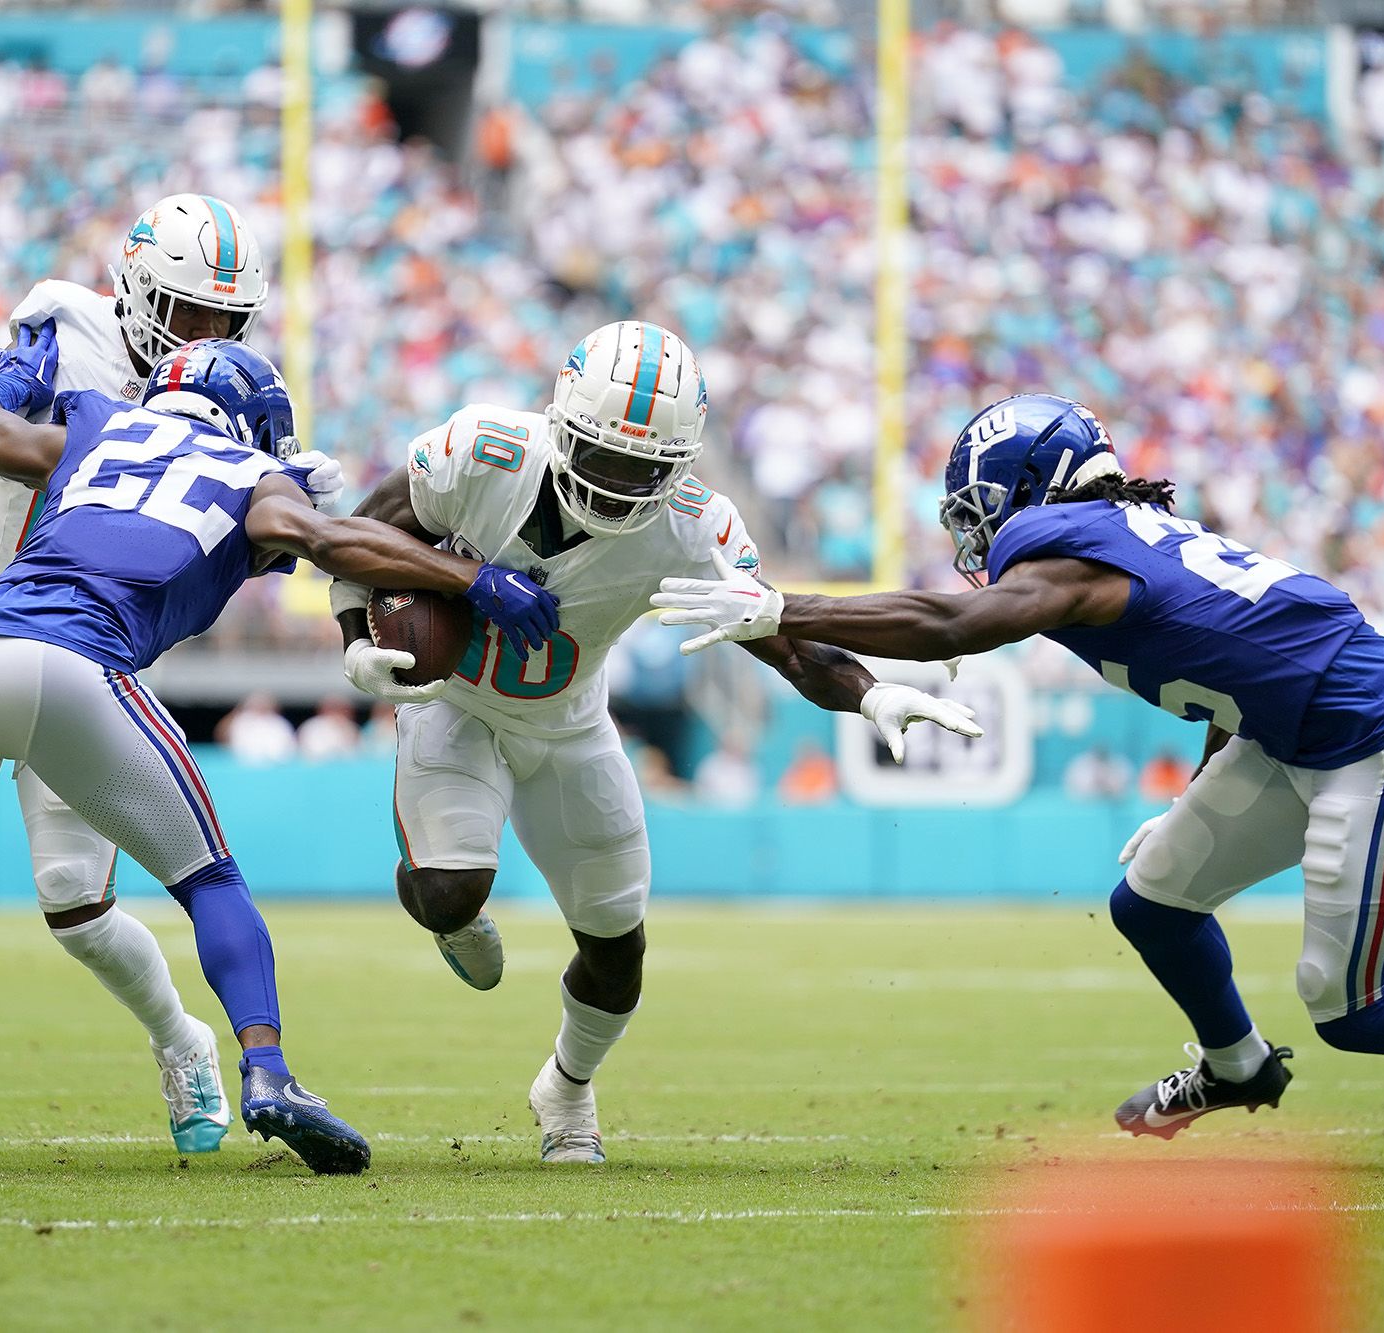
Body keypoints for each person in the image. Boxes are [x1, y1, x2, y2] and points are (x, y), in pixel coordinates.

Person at [654, 392, 1384, 1167]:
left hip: (1375, 734)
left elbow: (953, 626)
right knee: (1152, 901)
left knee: (1349, 1003)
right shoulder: (1127, 536)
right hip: (1289, 729)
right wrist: (1196, 794)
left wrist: (785, 607)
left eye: (980, 507)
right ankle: (1235, 1067)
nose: (976, 532)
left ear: (1031, 486)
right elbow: (1243, 668)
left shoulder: (1061, 548)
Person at [0, 333, 558, 1177]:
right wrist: (473, 581)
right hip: (72, 661)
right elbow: (324, 546)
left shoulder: (96, 428)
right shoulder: (253, 474)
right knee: (209, 881)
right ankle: (269, 1073)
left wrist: (13, 369)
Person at [329, 320, 978, 1164]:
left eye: (644, 468)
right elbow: (357, 536)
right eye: (602, 456)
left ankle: (566, 1089)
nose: (618, 482)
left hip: (571, 725)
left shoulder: (690, 527)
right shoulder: (483, 452)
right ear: (561, 424)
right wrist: (355, 632)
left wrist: (869, 690)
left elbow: (781, 637)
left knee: (617, 950)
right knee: (449, 893)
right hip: (455, 705)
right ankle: (450, 915)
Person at [0, 195, 286, 1163]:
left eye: (220, 322)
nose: (200, 337)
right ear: (131, 290)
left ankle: (182, 1039)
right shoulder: (66, 327)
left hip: (87, 649)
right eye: (185, 311)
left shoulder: (229, 392)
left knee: (75, 902)